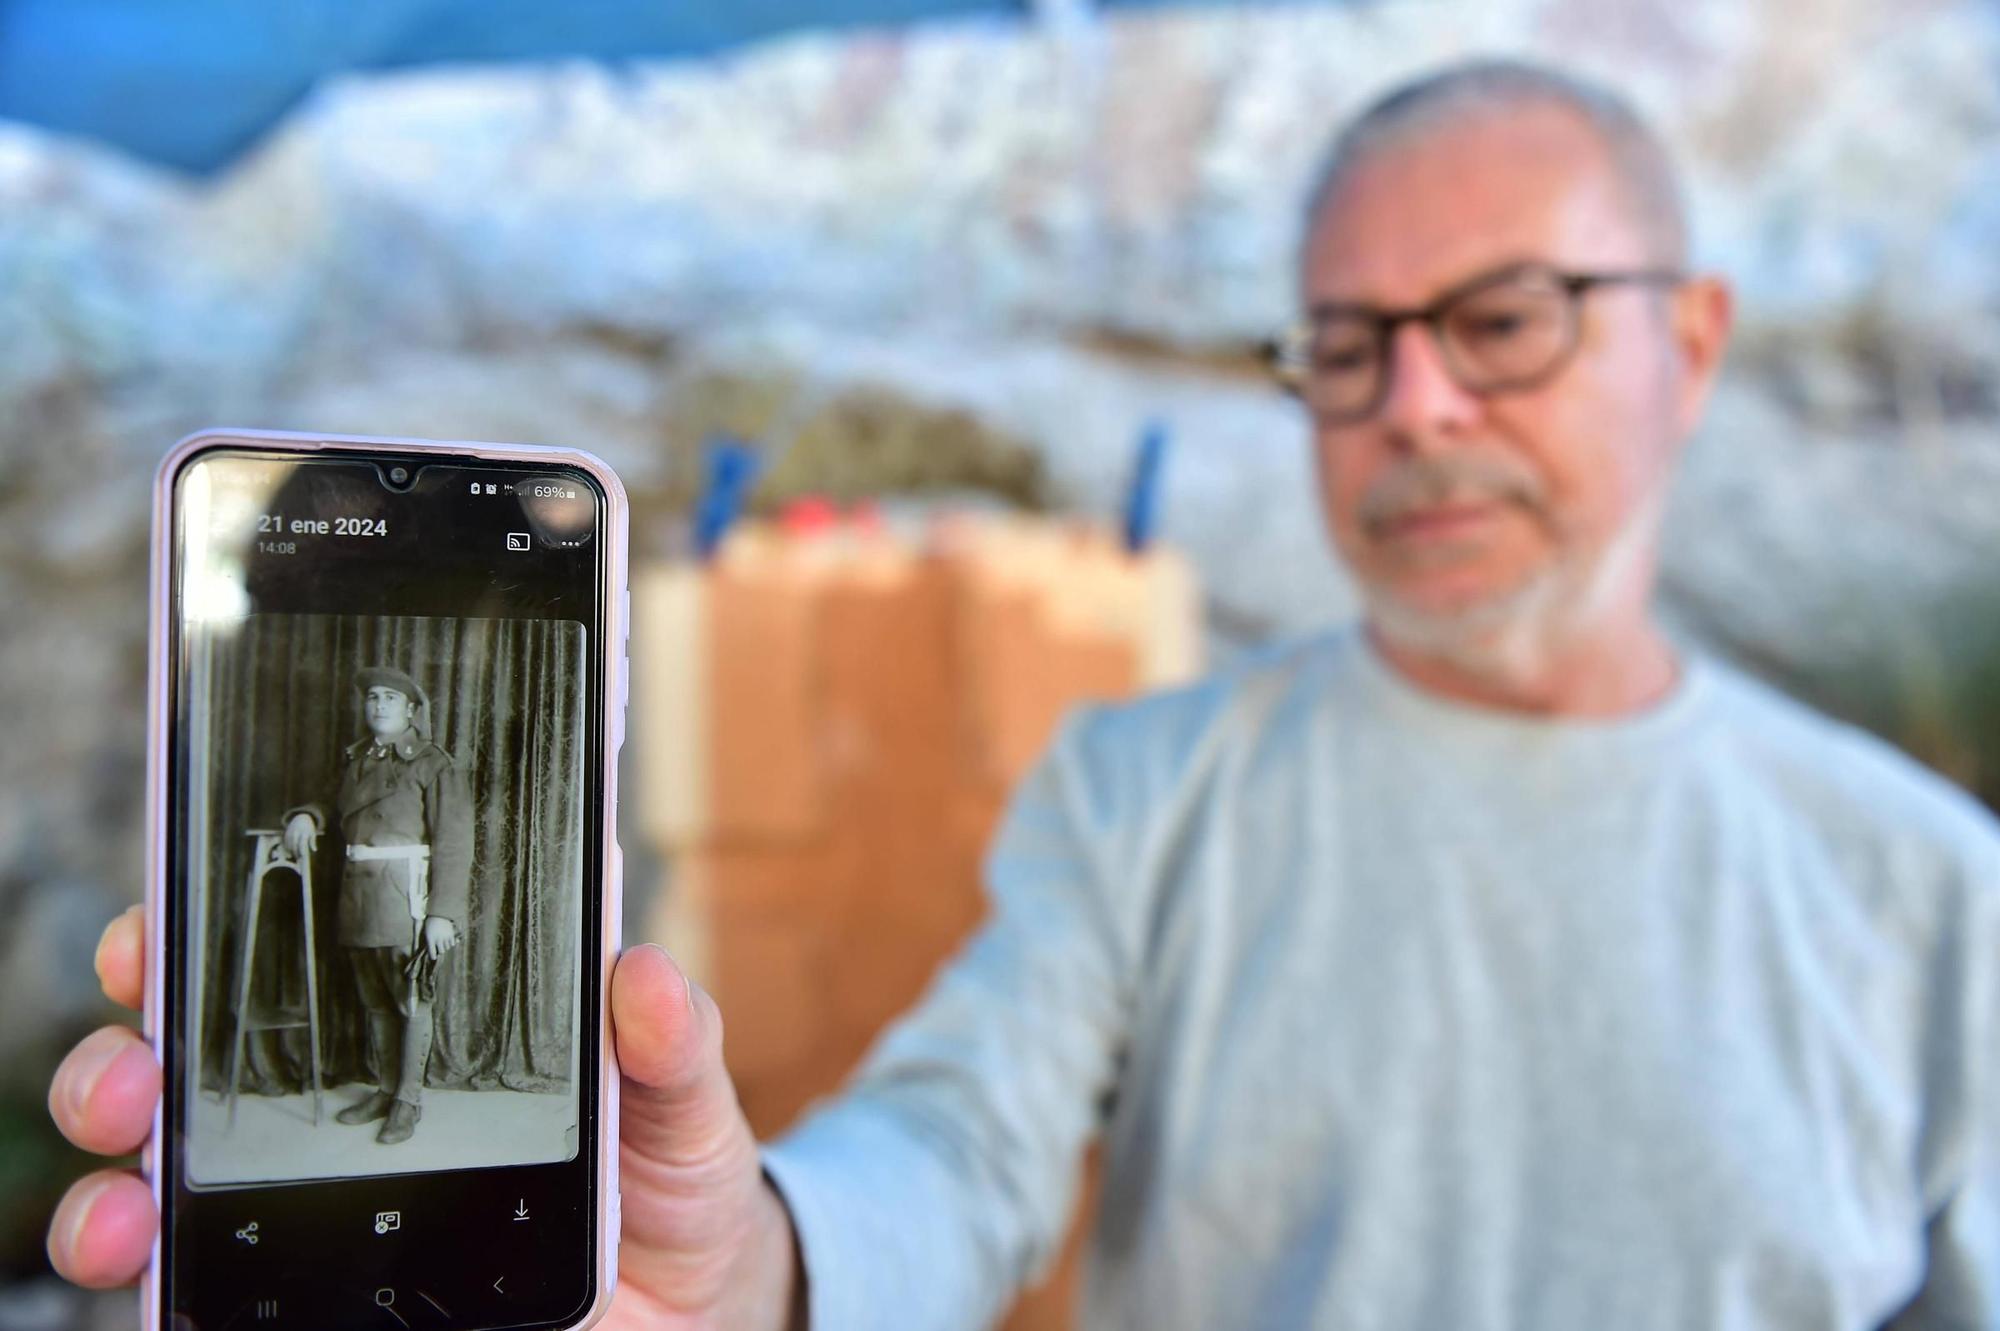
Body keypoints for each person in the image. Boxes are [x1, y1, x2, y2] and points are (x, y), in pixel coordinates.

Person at [45, 58, 2000, 1331]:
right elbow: (959, 1151)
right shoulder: (1149, 781)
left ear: (1692, 340)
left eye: (1500, 321)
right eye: (1344, 346)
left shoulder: (1935, 890)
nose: (1413, 404)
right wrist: (754, 1257)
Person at [281, 665, 472, 1145]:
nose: (380, 704)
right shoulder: (357, 759)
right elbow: (330, 803)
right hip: (359, 894)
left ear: (411, 710)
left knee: (411, 1000)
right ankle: (386, 1091)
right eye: (373, 697)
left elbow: (454, 843)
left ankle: (408, 1101)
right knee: (376, 1002)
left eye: (390, 697)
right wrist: (306, 816)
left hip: (404, 896)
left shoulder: (432, 763)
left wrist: (442, 914)